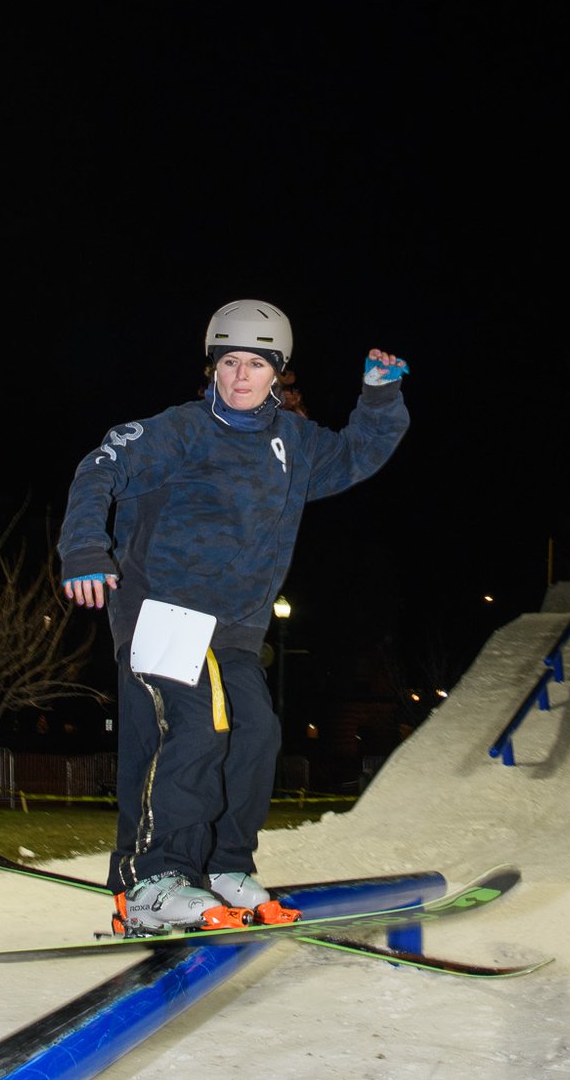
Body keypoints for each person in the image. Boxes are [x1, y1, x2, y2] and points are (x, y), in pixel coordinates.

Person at [59, 299, 409, 934]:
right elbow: (101, 466)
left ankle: (222, 864)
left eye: (255, 364)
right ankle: (154, 879)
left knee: (256, 735)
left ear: (278, 373)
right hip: (161, 612)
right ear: (212, 368)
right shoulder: (181, 429)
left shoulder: (294, 444)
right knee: (192, 730)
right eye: (228, 363)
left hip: (236, 629)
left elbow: (356, 455)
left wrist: (379, 399)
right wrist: (85, 547)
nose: (240, 376)